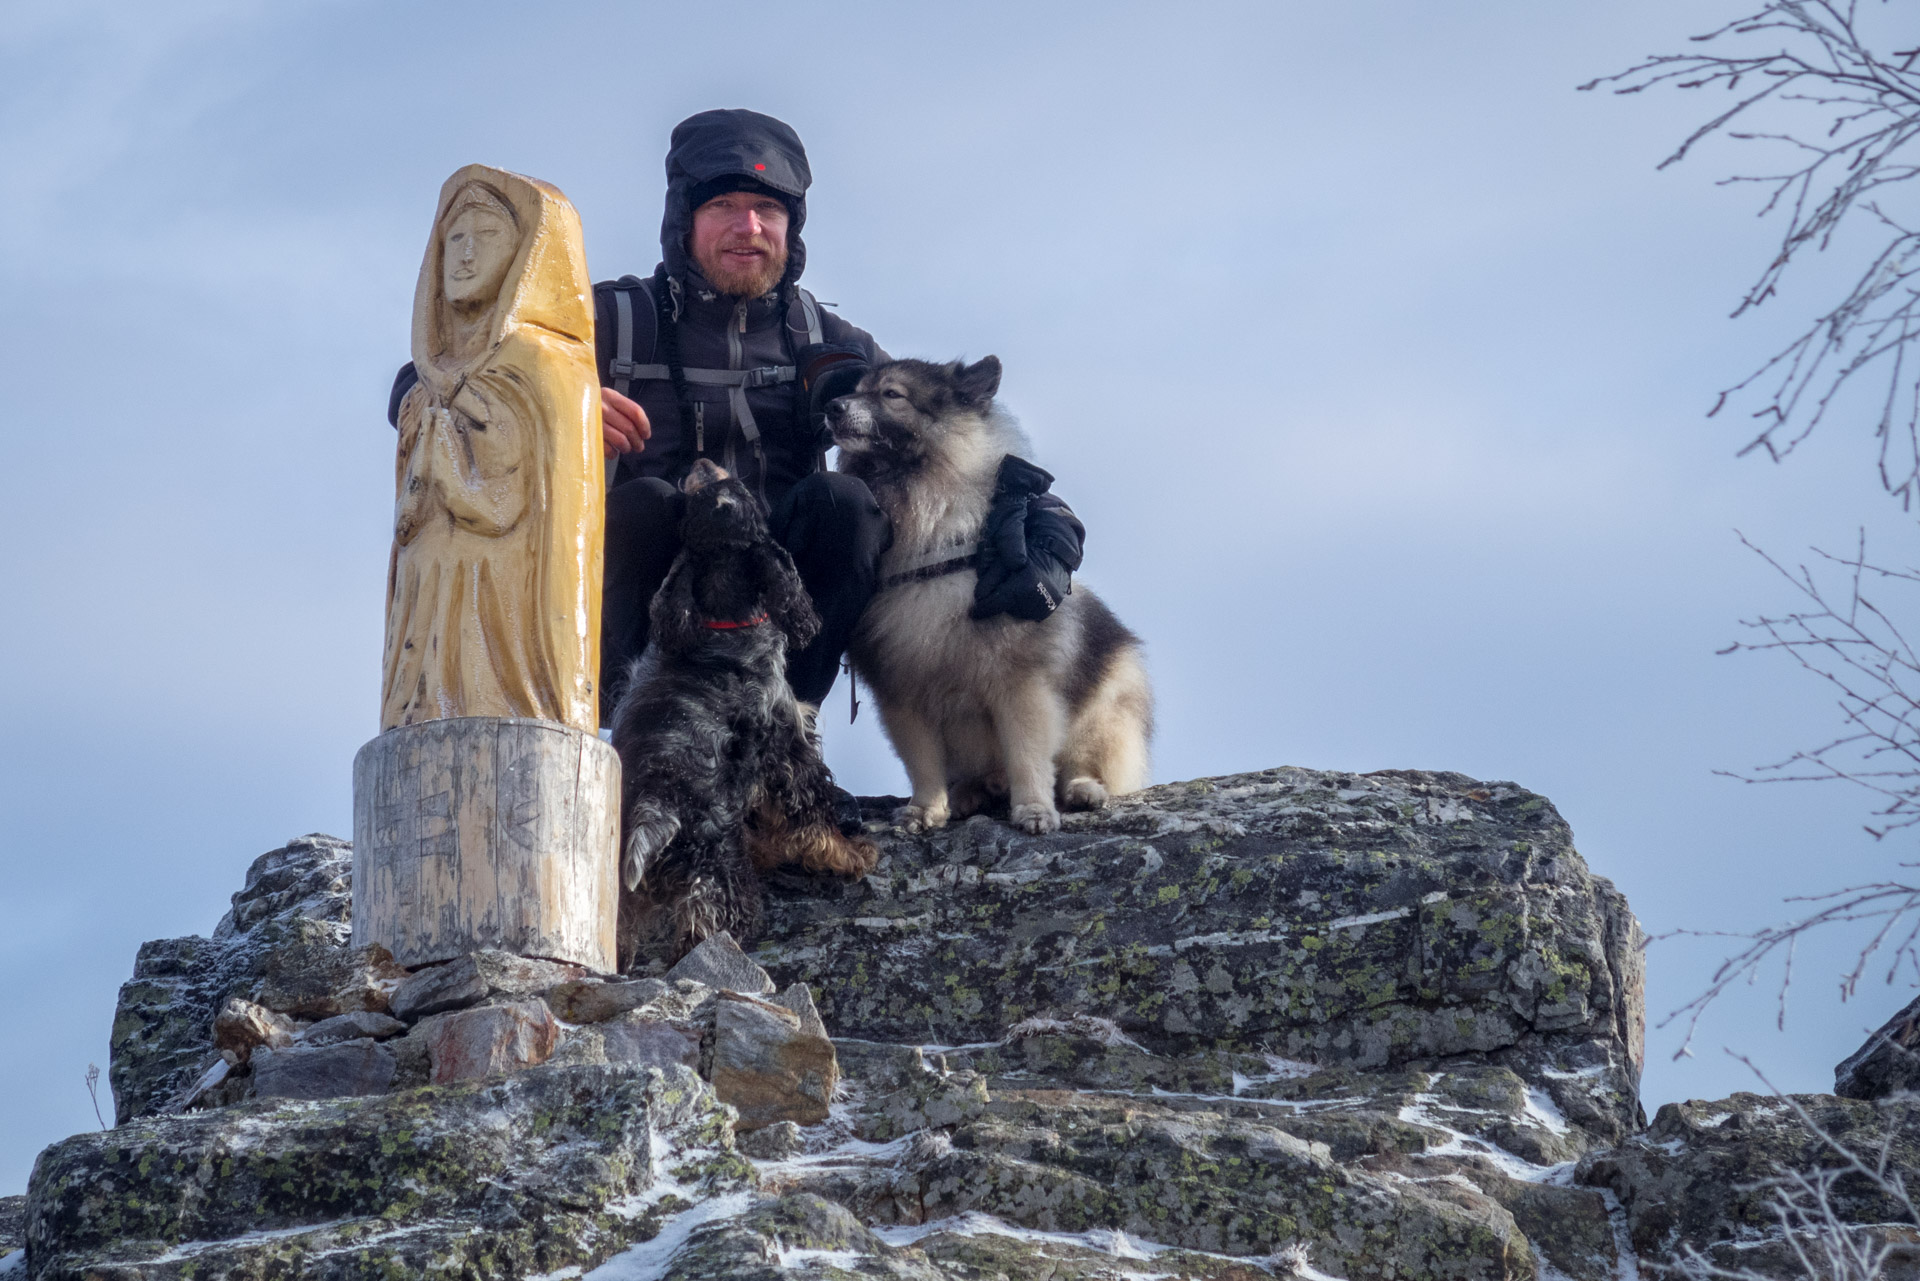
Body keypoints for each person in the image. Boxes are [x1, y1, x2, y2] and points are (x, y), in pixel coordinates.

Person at [391, 108, 890, 723]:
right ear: (683, 220)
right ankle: (623, 736)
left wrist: (1034, 523)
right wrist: (556, 406)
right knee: (648, 501)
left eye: (770, 210)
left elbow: (947, 427)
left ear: (793, 226)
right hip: (637, 609)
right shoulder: (608, 321)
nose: (749, 227)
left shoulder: (823, 338)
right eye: (723, 207)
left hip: (775, 614)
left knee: (844, 503)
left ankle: (792, 736)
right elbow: (417, 384)